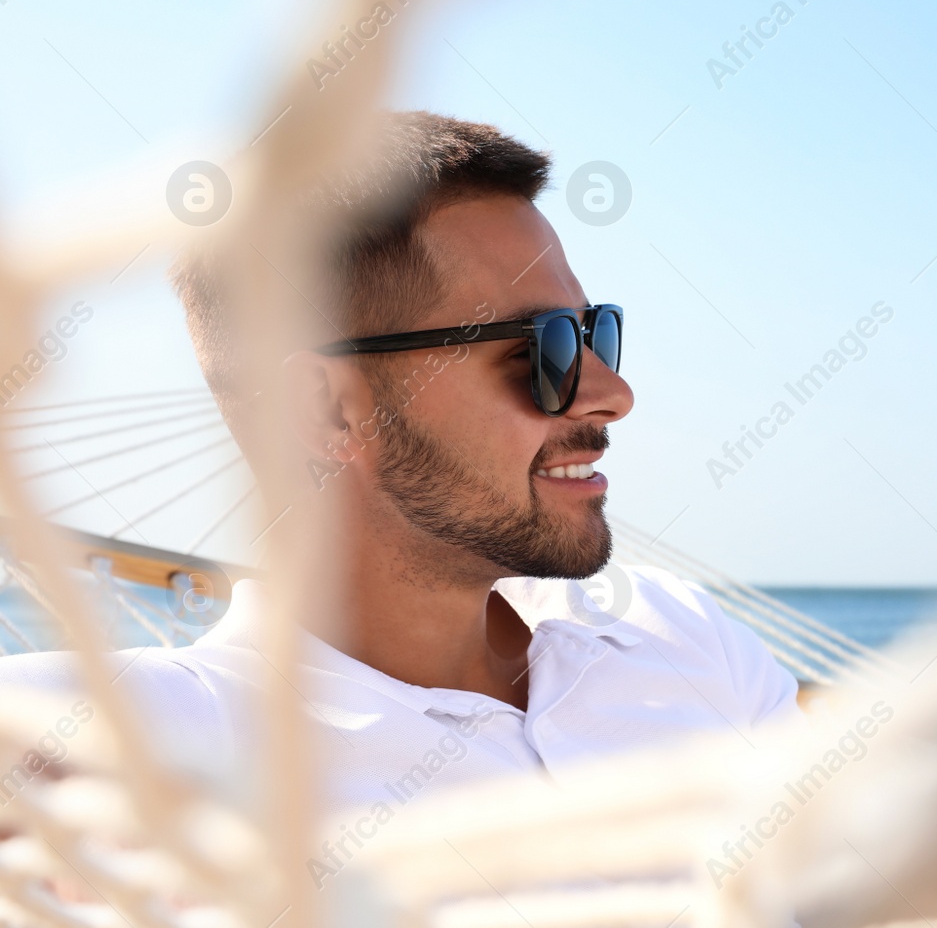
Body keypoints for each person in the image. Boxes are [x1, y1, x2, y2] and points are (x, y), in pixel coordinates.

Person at [0, 112, 799, 829]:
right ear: (326, 409)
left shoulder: (680, 637)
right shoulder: (138, 746)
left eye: (597, 332)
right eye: (544, 348)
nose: (613, 394)